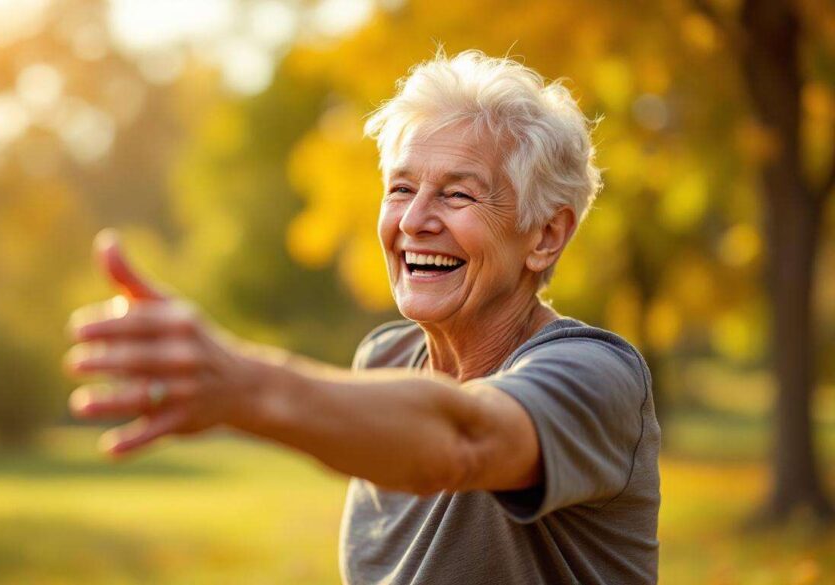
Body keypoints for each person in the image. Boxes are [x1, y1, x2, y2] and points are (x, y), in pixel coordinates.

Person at [65, 50, 660, 584]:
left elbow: (463, 442)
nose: (414, 220)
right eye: (401, 189)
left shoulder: (597, 374)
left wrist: (242, 385)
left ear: (546, 236)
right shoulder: (384, 359)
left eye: (458, 194)